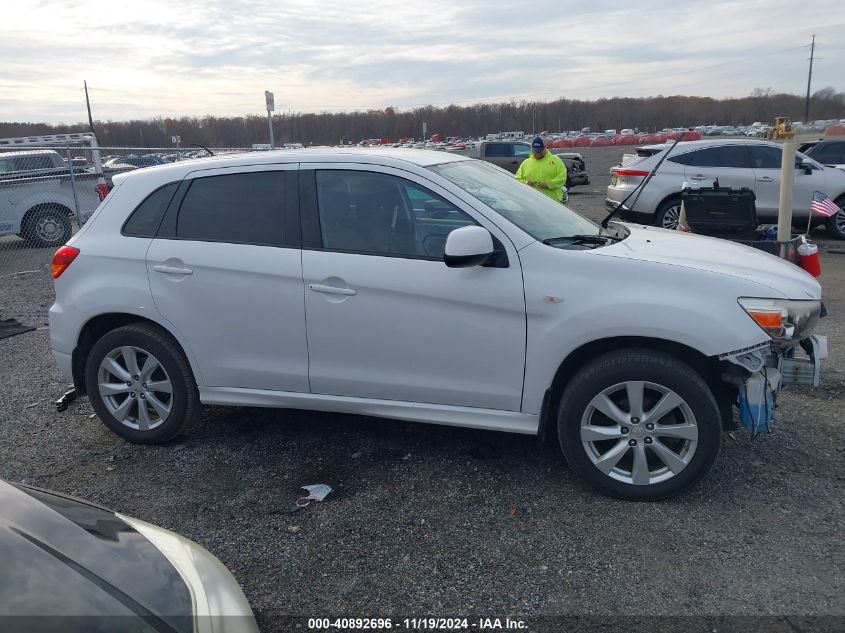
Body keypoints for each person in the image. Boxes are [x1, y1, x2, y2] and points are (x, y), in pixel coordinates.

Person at [515, 136, 568, 202]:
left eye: (540, 151)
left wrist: (548, 184)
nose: (537, 154)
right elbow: (517, 178)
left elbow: (562, 178)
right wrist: (526, 182)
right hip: (532, 202)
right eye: (535, 151)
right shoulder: (526, 163)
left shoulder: (556, 160)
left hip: (553, 202)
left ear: (545, 147)